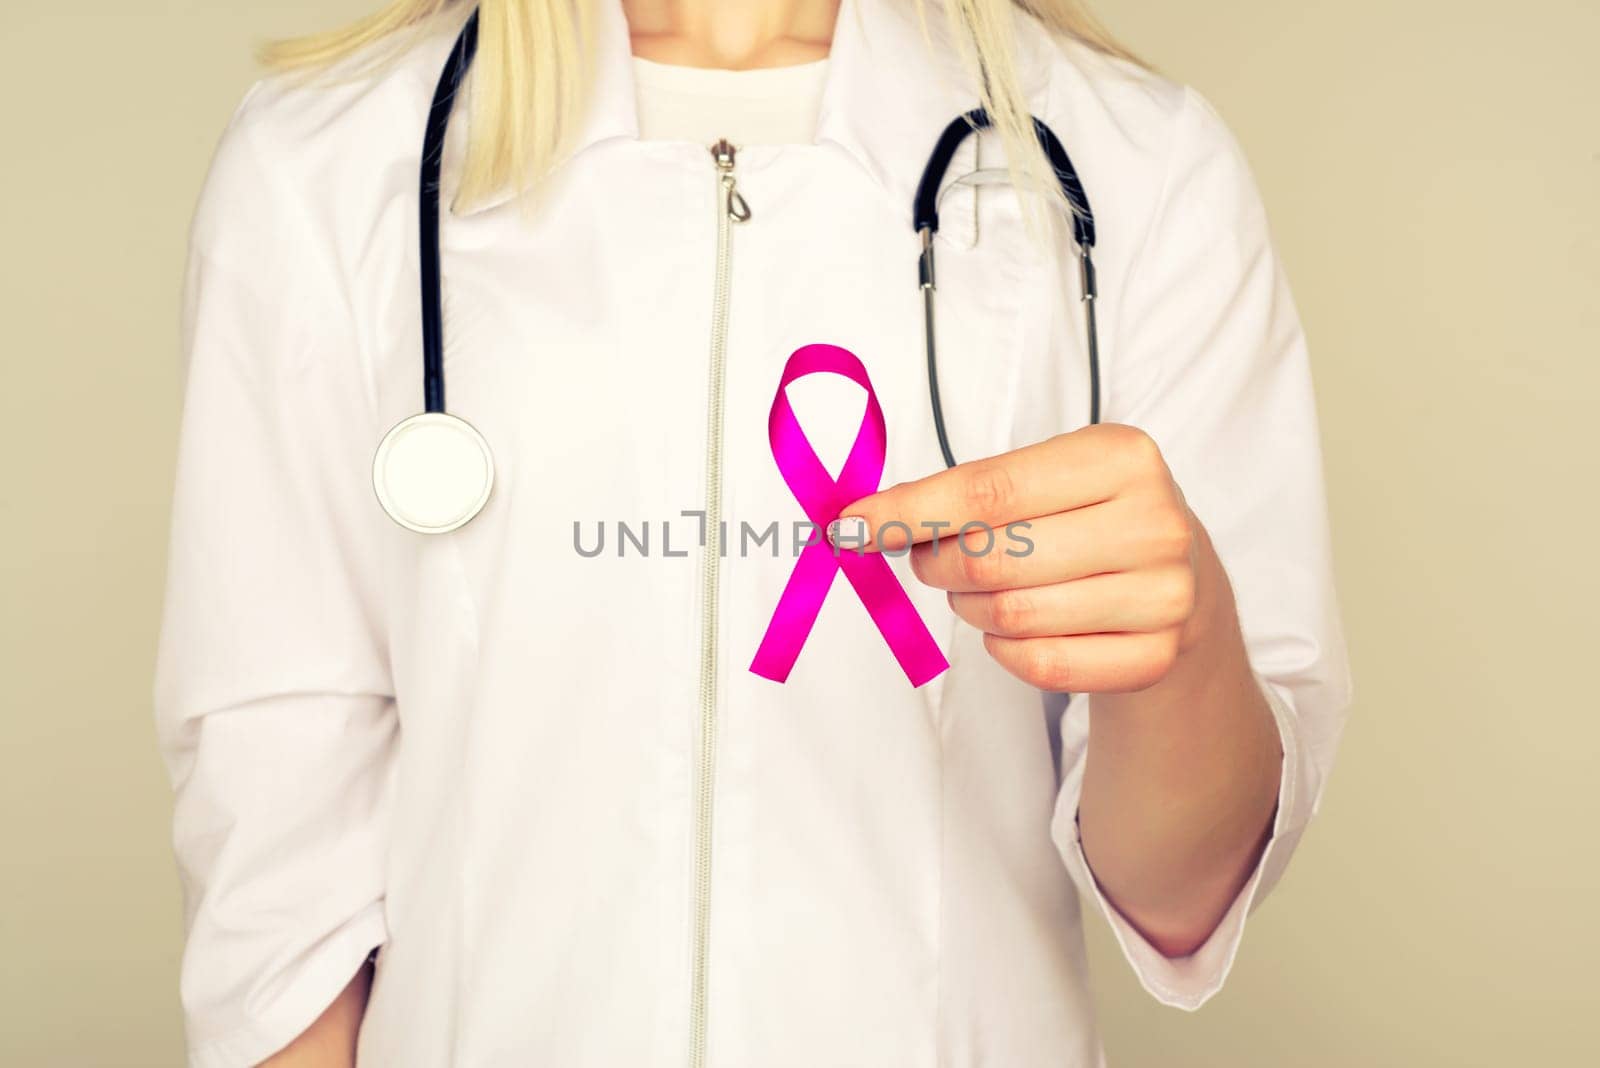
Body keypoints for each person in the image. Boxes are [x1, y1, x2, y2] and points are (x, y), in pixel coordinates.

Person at [152, 0, 1352, 1065]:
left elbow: (1184, 894)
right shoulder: (324, 162)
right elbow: (280, 870)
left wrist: (1180, 650)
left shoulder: (1137, 163)